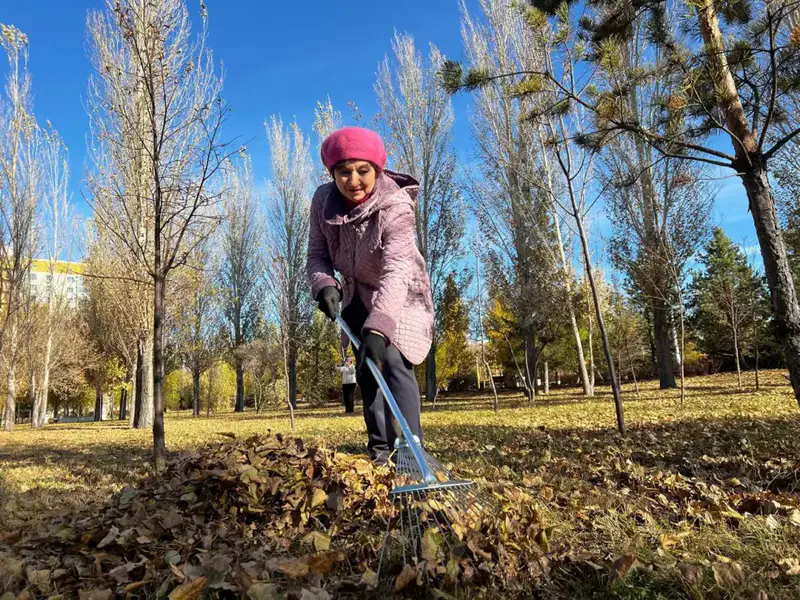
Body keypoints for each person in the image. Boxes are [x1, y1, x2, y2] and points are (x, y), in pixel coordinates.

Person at [307, 127, 434, 465]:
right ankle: (380, 450)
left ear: (376, 170)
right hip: (355, 294)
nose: (353, 180)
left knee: (391, 361)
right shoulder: (322, 202)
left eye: (362, 170)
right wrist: (323, 284)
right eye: (343, 172)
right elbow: (317, 255)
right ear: (332, 173)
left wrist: (378, 329)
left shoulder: (395, 206)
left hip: (402, 293)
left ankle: (411, 451)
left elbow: (396, 271)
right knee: (365, 370)